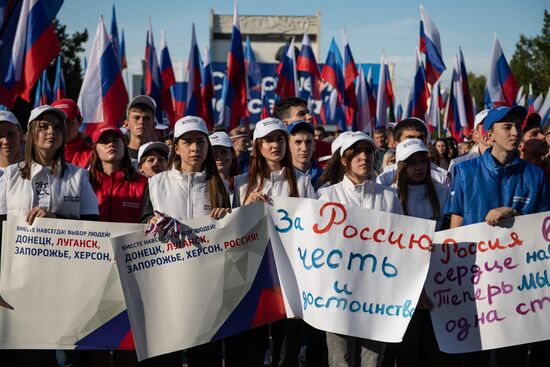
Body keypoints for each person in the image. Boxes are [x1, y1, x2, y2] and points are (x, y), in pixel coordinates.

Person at [447, 105, 550, 367]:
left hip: (518, 286)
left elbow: (544, 231)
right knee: (474, 359)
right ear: (488, 135)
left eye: (518, 125)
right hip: (475, 285)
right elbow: (455, 226)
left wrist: (514, 214)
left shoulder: (535, 175)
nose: (515, 131)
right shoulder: (466, 172)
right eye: (507, 126)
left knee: (512, 358)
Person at [0, 105, 99, 367]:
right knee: (26, 358)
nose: (51, 132)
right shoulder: (9, 176)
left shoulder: (79, 177)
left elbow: (95, 229)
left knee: (67, 358)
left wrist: (57, 221)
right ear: (30, 133)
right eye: (43, 126)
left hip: (65, 284)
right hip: (17, 285)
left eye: (57, 127)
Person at [141, 115, 230, 367]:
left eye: (200, 142)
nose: (194, 148)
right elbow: (143, 220)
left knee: (205, 354)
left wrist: (226, 217)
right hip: (166, 282)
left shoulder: (220, 185)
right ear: (176, 147)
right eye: (187, 142)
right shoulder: (156, 183)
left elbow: (232, 234)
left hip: (207, 283)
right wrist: (151, 221)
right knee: (166, 353)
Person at [233, 117, 316, 367]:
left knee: (286, 344)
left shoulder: (303, 182)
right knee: (254, 343)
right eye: (269, 140)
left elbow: (312, 228)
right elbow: (231, 232)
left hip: (290, 272)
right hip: (253, 272)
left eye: (280, 139)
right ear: (258, 145)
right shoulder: (241, 184)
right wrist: (245, 208)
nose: (275, 145)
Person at [317, 132, 402, 367]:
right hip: (338, 294)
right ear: (344, 159)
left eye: (369, 152)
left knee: (372, 360)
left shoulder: (389, 197)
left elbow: (403, 243)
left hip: (376, 294)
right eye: (357, 152)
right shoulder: (326, 196)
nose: (364, 157)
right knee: (339, 359)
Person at [390, 138, 454, 367]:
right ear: (400, 166)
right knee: (408, 350)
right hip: (404, 284)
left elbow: (451, 233)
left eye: (423, 161)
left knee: (436, 350)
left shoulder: (442, 192)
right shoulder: (390, 195)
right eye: (411, 162)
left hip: (438, 280)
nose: (419, 167)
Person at [89, 127, 148, 223]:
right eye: (104, 142)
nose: (111, 144)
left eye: (116, 141)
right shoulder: (85, 182)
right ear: (95, 148)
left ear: (124, 147)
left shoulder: (144, 183)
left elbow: (148, 219)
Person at [377, 118, 449, 187]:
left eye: (421, 138)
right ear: (396, 143)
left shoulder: (441, 179)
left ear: (426, 141)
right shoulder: (385, 178)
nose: (416, 143)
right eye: (410, 138)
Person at [273, 96, 332, 167]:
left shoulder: (327, 149)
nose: (309, 117)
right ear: (285, 124)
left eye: (308, 142)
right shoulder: (273, 152)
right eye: (301, 114)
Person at [447, 110, 492, 180]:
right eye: (486, 126)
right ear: (476, 133)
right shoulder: (459, 164)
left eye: (493, 126)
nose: (490, 131)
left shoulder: (511, 163)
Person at [51, 98, 93, 169]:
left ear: (80, 122)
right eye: (59, 123)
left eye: (69, 122)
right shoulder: (39, 155)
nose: (64, 127)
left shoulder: (93, 155)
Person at [288, 120, 323, 187]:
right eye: (298, 142)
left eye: (308, 142)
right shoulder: (277, 177)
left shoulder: (326, 178)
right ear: (288, 146)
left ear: (314, 146)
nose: (304, 148)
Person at [123, 95, 156, 165]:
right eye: (136, 118)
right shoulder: (119, 156)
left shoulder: (163, 156)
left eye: (146, 118)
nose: (141, 122)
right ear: (126, 124)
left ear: (154, 125)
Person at [518, 112, 550, 182]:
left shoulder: (547, 171)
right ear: (520, 145)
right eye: (534, 134)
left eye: (541, 132)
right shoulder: (513, 177)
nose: (543, 136)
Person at [209, 131, 239, 197]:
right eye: (214, 154)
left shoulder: (245, 182)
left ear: (233, 154)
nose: (219, 157)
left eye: (224, 152)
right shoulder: (203, 186)